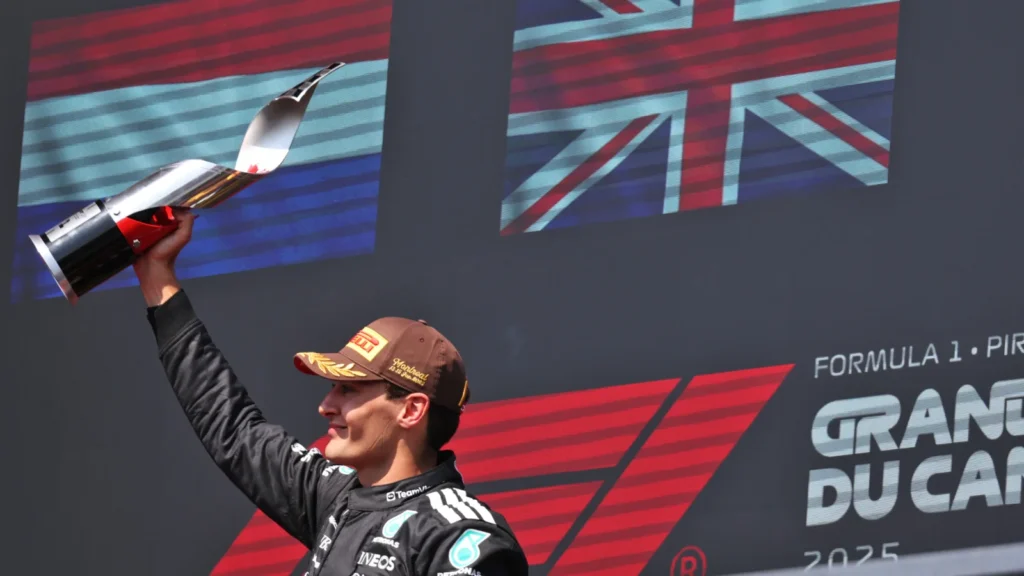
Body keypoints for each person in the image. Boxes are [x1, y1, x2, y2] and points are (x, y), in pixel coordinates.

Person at [133, 209, 528, 576]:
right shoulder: (334, 493)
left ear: (411, 410)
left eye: (349, 389)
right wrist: (157, 276)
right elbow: (233, 427)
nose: (325, 406)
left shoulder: (460, 537)